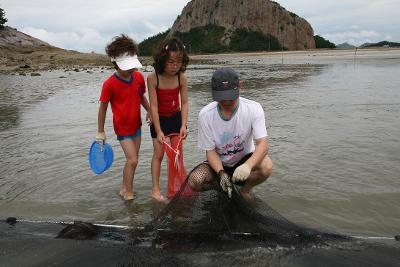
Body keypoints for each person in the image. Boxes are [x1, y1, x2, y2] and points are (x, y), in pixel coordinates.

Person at [188, 67, 272, 200]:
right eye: (222, 99)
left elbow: (263, 144)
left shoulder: (253, 108)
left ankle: (245, 190)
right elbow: (210, 151)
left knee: (266, 166)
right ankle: (221, 186)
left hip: (244, 160)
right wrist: (221, 173)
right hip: (219, 163)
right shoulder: (205, 115)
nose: (227, 103)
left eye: (230, 99)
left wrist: (248, 166)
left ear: (240, 87)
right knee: (194, 181)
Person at [96, 34, 150, 201]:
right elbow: (103, 109)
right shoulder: (109, 84)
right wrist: (100, 132)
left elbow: (141, 96)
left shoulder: (139, 77)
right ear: (115, 63)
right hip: (122, 128)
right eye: (126, 66)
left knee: (133, 160)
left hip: (136, 124)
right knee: (132, 160)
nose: (130, 69)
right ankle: (128, 192)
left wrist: (150, 111)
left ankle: (123, 188)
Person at [147, 38, 189, 202]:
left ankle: (174, 189)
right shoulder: (153, 78)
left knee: (178, 156)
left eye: (178, 62)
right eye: (170, 61)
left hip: (176, 119)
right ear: (162, 59)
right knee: (158, 154)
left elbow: (184, 102)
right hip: (159, 120)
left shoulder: (181, 78)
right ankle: (155, 190)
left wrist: (184, 124)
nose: (174, 66)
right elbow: (154, 107)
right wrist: (158, 131)